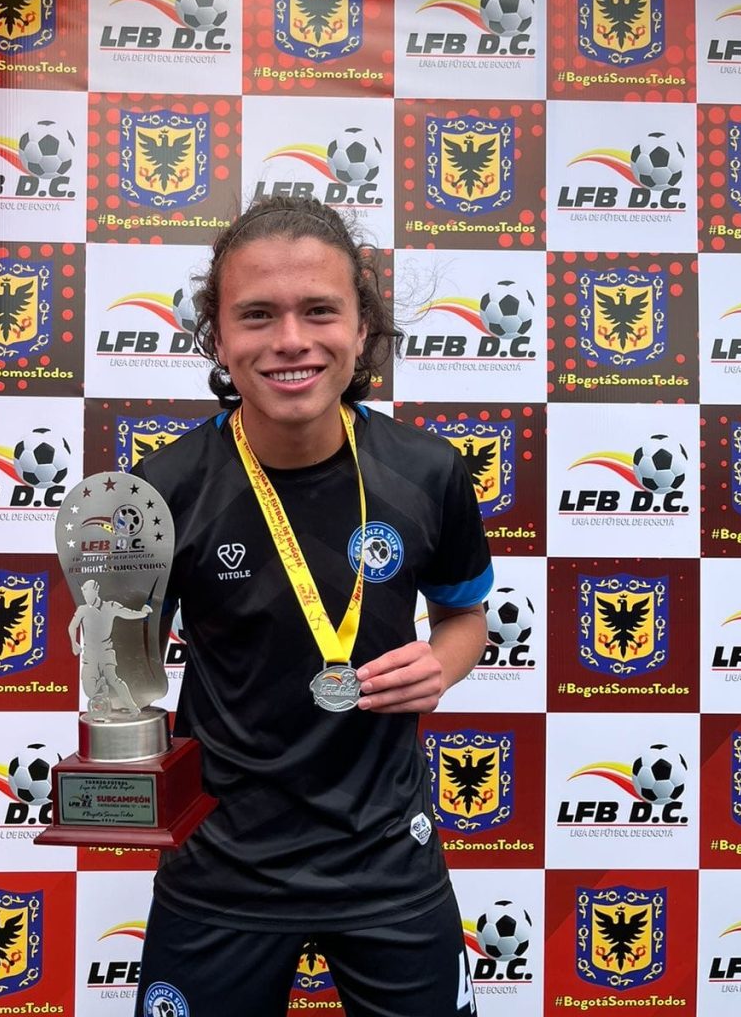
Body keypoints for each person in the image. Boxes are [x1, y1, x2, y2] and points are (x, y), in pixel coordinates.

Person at [132, 196, 493, 1017]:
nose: (290, 340)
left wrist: (442, 662)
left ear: (361, 329)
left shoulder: (428, 472)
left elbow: (465, 617)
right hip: (221, 859)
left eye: (319, 311)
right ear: (218, 338)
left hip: (385, 857)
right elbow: (122, 668)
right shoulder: (165, 488)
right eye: (257, 315)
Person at [67, 577, 151, 716]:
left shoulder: (110, 606)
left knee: (114, 679)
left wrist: (142, 613)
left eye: (88, 593)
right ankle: (101, 686)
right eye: (84, 594)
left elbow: (127, 613)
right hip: (90, 654)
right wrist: (73, 643)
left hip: (105, 650)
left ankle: (133, 709)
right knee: (88, 689)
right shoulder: (83, 610)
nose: (86, 597)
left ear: (96, 591)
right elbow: (72, 627)